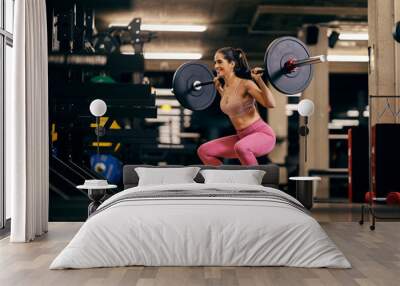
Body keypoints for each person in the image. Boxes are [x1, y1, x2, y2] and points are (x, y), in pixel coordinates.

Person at [197, 47, 276, 165]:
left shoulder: (246, 84)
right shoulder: (226, 89)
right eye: (215, 62)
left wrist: (259, 81)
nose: (216, 66)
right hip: (242, 137)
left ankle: (254, 181)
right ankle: (224, 181)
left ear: (232, 64)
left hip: (262, 135)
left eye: (219, 62)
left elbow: (270, 104)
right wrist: (219, 89)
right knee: (204, 151)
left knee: (241, 147)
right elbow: (232, 104)